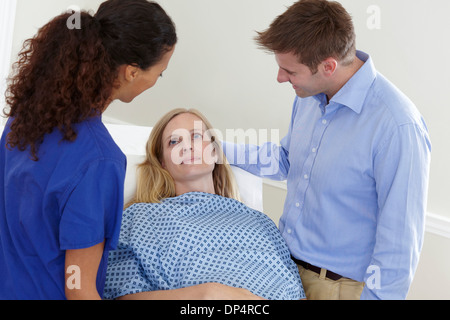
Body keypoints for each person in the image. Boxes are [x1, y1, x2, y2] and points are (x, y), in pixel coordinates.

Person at [222, 0, 431, 300]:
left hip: (338, 289)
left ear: (328, 66)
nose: (280, 78)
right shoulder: (309, 96)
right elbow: (286, 160)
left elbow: (399, 246)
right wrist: (215, 149)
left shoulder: (398, 126)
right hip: (282, 271)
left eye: (288, 71)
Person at [0, 0, 177, 300]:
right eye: (159, 74)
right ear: (132, 72)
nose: (156, 81)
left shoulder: (24, 117)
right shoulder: (99, 161)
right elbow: (78, 287)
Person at [103, 108, 305, 300]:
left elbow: (294, 285)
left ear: (215, 152)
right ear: (163, 162)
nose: (187, 146)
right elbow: (121, 293)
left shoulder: (260, 222)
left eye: (196, 136)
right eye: (174, 142)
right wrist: (206, 294)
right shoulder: (141, 219)